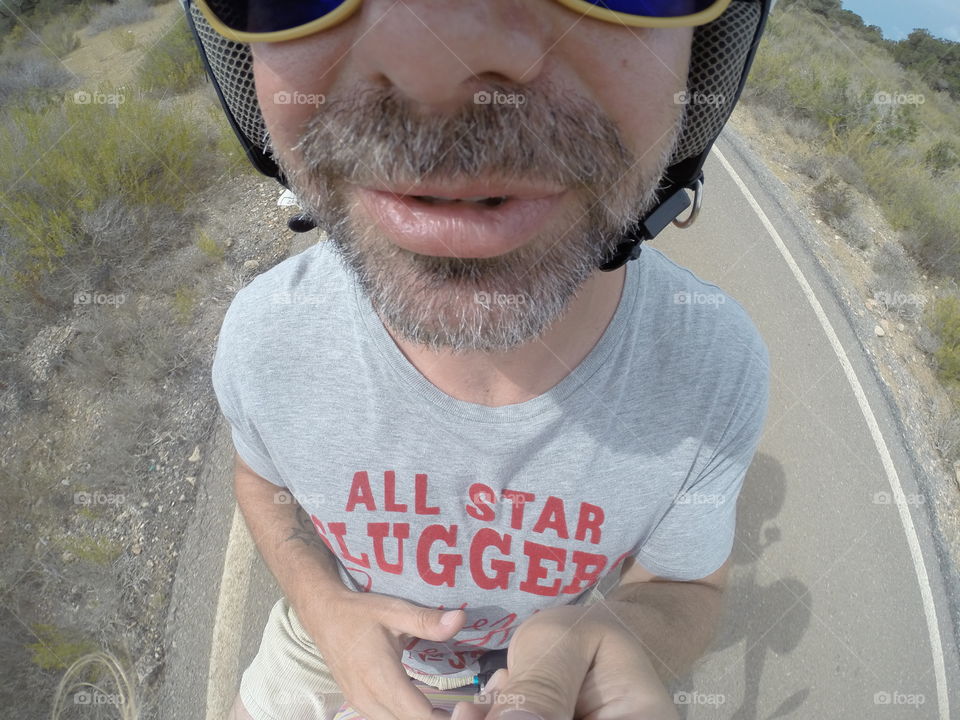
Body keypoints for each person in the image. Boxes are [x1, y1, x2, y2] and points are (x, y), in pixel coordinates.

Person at [186, 1, 773, 718]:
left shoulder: (712, 368)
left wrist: (617, 638)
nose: (435, 62)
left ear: (707, 51)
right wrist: (324, 608)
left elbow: (687, 587)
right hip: (328, 639)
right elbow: (260, 481)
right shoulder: (266, 336)